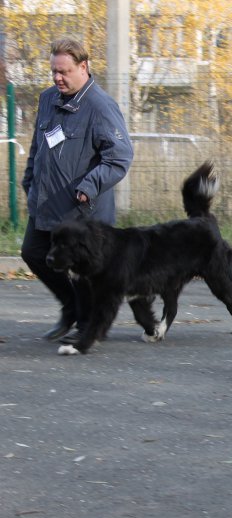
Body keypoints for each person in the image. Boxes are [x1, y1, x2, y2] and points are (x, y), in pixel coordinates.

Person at [21, 36, 134, 344]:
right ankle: (71, 309)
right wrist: (29, 179)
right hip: (46, 202)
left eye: (64, 71)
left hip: (81, 211)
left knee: (85, 272)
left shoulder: (100, 106)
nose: (58, 77)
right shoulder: (47, 99)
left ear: (83, 67)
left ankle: (89, 327)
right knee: (32, 252)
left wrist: (89, 185)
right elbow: (38, 145)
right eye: (54, 71)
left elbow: (120, 156)